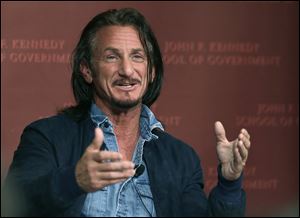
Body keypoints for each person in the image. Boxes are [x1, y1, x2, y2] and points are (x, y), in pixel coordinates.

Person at [2, 8, 251, 217]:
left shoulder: (181, 158)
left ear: (151, 71)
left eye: (137, 57)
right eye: (112, 57)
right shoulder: (46, 137)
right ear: (87, 70)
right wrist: (73, 181)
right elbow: (15, 203)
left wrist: (230, 183)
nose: (127, 70)